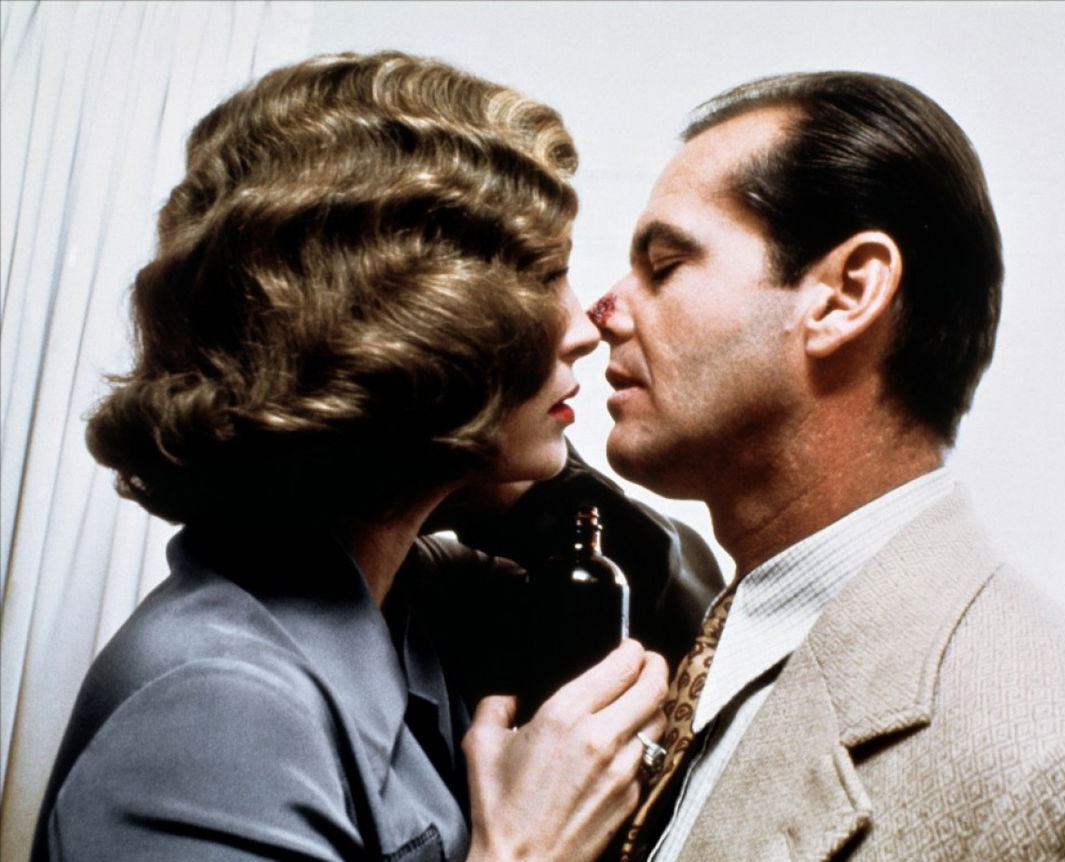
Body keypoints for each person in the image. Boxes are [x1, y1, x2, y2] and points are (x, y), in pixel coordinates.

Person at [32, 51, 682, 862]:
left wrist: (466, 468)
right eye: (549, 276)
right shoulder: (216, 705)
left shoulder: (416, 599)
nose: (585, 328)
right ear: (416, 327)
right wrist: (527, 851)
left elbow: (662, 594)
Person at [591, 71, 1065, 861]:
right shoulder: (701, 625)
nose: (601, 311)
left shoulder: (1057, 756)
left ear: (845, 296)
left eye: (665, 265)